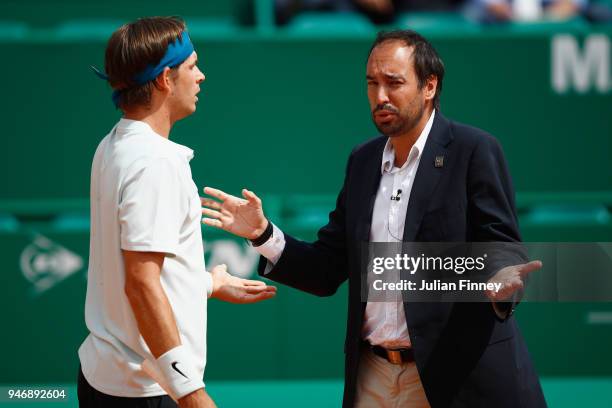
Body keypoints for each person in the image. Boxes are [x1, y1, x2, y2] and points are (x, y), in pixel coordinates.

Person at [202, 29, 547, 408]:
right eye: (372, 83)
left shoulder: (474, 150)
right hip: (372, 377)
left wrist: (499, 276)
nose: (380, 96)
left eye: (394, 83)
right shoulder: (363, 161)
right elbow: (327, 268)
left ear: (429, 86)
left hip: (455, 377)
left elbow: (502, 247)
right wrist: (261, 233)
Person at [78, 17, 276, 408]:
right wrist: (189, 391)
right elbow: (141, 283)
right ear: (165, 79)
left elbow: (134, 271)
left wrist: (207, 284)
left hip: (106, 378)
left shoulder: (113, 145)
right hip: (147, 391)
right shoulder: (155, 162)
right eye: (192, 67)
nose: (201, 77)